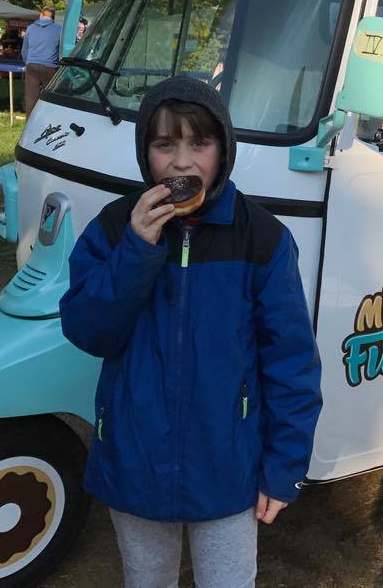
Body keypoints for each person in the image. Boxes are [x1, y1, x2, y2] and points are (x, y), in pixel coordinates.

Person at [60, 77, 322, 588]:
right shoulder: (114, 228)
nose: (182, 163)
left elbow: (291, 364)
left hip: (227, 467)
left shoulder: (263, 238)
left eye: (199, 143)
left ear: (223, 151)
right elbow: (89, 331)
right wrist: (137, 249)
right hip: (135, 459)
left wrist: (283, 467)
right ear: (145, 153)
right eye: (165, 144)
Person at [20, 6, 61, 115]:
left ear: (41, 15)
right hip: (50, 66)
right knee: (49, 97)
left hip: (32, 65)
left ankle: (30, 121)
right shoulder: (59, 29)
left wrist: (27, 62)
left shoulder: (30, 28)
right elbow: (60, 50)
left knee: (31, 97)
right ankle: (48, 119)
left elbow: (24, 50)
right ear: (53, 17)